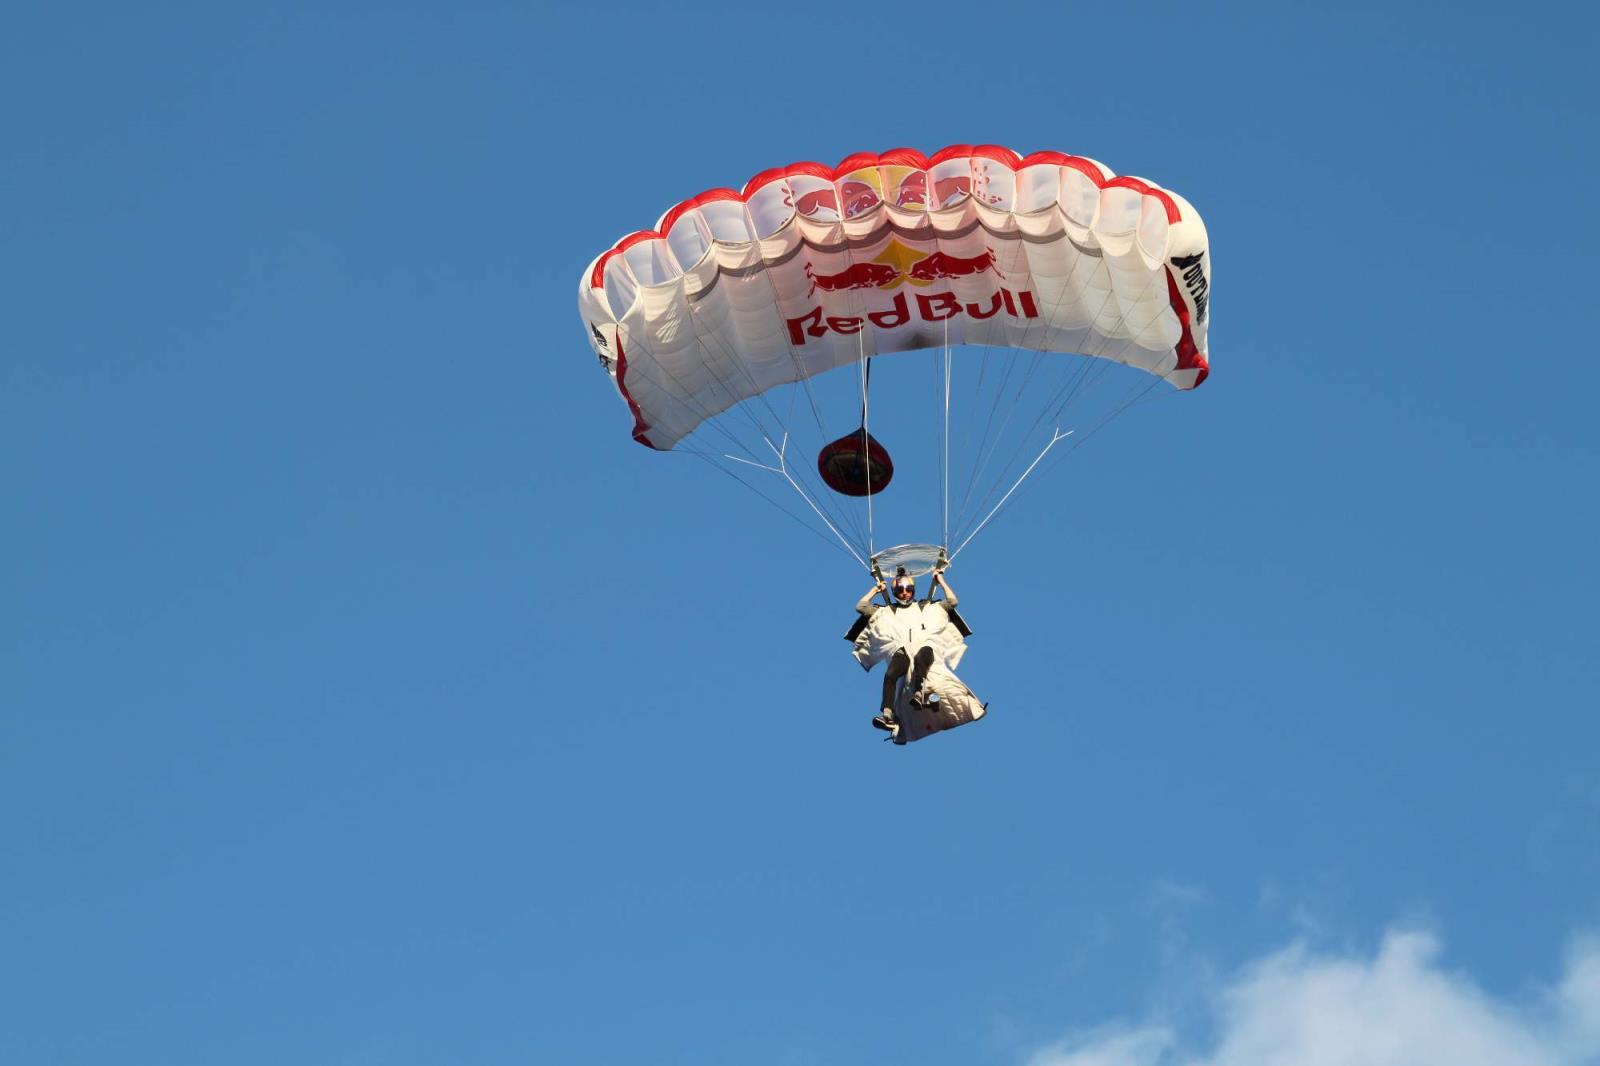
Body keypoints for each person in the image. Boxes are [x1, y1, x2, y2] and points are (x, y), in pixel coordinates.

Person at [852, 562, 968, 737]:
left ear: (913, 590)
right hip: (902, 649)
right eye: (900, 590)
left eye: (908, 589)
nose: (904, 593)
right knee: (891, 674)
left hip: (926, 647)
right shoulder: (887, 611)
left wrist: (941, 580)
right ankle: (887, 715)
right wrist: (875, 590)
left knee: (923, 655)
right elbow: (861, 607)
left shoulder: (925, 607)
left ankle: (919, 692)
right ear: (895, 593)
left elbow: (952, 602)